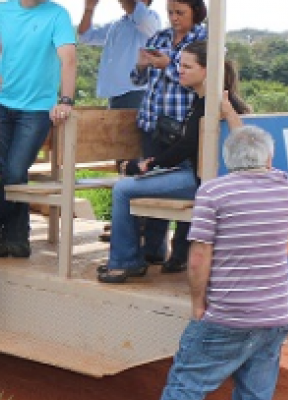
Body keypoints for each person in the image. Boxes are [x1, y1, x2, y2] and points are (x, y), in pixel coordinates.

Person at [120, 126, 288, 400]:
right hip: (274, 315)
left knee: (184, 385)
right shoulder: (285, 186)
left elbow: (199, 256)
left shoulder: (215, 192)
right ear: (267, 159)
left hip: (227, 313)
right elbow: (263, 159)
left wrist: (198, 302)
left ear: (228, 161)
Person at [98, 41, 249, 283]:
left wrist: (147, 165)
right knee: (128, 185)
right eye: (180, 64)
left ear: (207, 71)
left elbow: (185, 147)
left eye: (187, 66)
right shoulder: (208, 100)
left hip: (202, 180)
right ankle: (131, 258)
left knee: (122, 189)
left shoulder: (211, 105)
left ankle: (125, 262)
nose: (180, 70)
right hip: (199, 174)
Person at [0, 0, 77, 258]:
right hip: (2, 103)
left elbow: (69, 59)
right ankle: (15, 238)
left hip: (37, 108)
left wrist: (66, 100)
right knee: (11, 174)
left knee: (13, 170)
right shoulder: (3, 10)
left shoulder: (58, 15)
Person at [131, 0, 209, 266]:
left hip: (184, 129)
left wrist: (169, 66)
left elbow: (207, 80)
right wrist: (142, 65)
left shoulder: (206, 40)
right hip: (152, 123)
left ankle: (180, 254)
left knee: (187, 188)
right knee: (153, 185)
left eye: (180, 12)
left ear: (195, 12)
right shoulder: (159, 37)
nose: (174, 18)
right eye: (170, 12)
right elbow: (137, 80)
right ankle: (153, 248)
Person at [78, 0, 161, 109]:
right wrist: (89, 9)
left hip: (136, 92)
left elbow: (140, 16)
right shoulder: (118, 24)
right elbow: (85, 36)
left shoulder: (151, 20)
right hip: (116, 93)